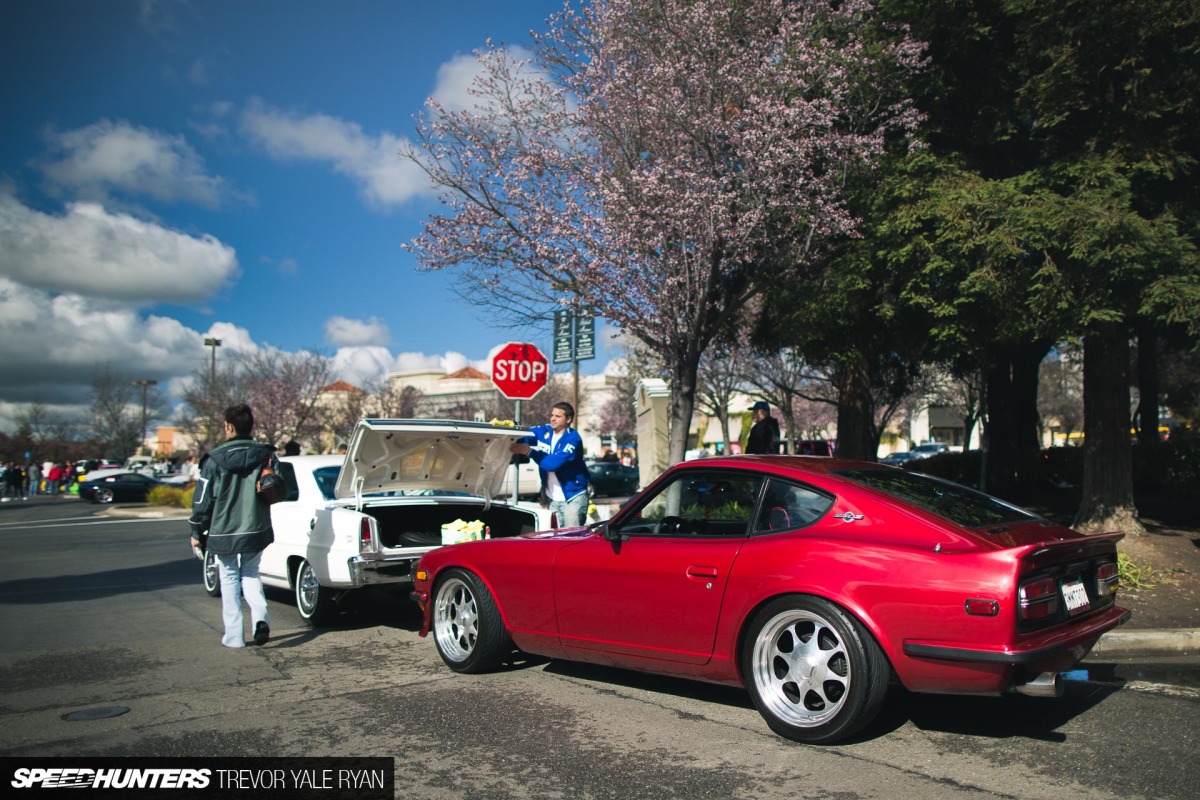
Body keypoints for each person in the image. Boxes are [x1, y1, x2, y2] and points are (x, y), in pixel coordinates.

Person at [189, 404, 278, 648]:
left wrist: (196, 530)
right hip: (256, 526)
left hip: (223, 530)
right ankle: (260, 618)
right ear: (251, 426)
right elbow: (276, 486)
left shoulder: (213, 460)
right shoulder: (266, 454)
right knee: (250, 572)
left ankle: (234, 637)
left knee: (228, 577)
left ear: (229, 427)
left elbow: (202, 500)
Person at [511, 402, 591, 527]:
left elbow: (552, 464)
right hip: (552, 498)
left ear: (568, 419)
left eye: (558, 416)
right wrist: (509, 430)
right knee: (555, 539)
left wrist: (529, 451)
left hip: (573, 498)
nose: (553, 418)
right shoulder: (544, 431)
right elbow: (522, 437)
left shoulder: (573, 439)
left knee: (572, 538)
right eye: (552, 415)